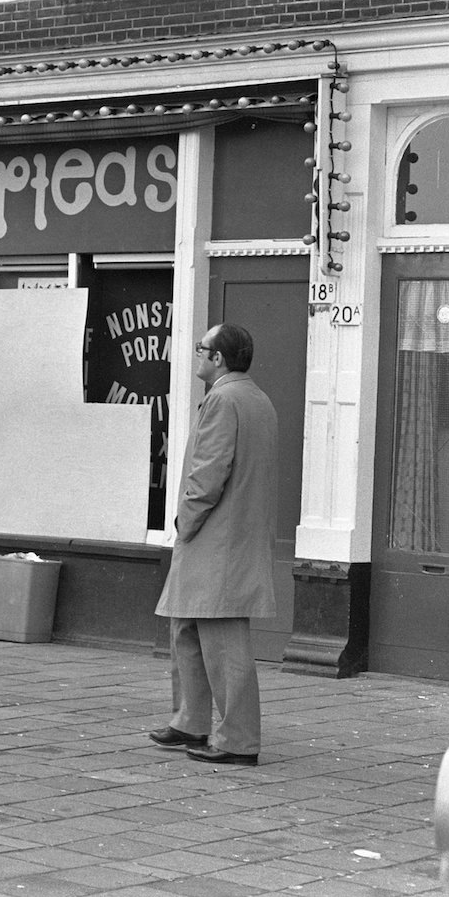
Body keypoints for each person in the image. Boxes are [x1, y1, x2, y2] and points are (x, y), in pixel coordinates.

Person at [148, 322, 278, 766]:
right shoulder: (256, 397)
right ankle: (191, 720)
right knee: (187, 626)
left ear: (218, 358)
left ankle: (237, 739)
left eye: (202, 348)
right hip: (228, 535)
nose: (197, 354)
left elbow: (209, 471)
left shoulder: (224, 399)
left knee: (222, 638)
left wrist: (186, 519)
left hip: (215, 535)